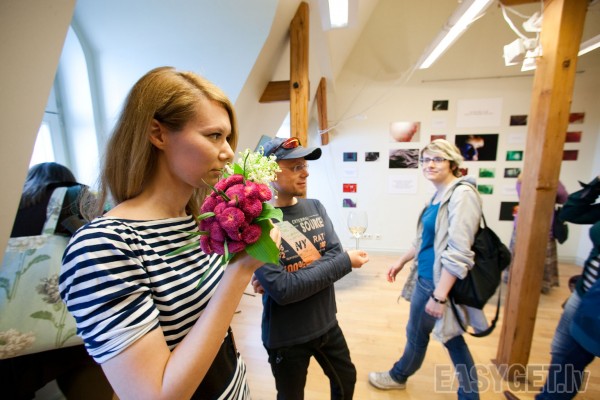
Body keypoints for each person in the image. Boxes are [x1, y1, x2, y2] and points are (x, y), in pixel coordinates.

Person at [59, 66, 279, 400]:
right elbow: (155, 395)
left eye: (227, 137)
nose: (228, 152)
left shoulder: (195, 221)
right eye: (214, 136)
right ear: (158, 134)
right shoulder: (103, 248)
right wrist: (240, 271)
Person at [250, 136, 370, 400]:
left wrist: (296, 276)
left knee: (346, 379)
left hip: (326, 322)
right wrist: (343, 263)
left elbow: (334, 254)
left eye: (304, 165)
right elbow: (283, 290)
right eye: (295, 167)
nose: (305, 173)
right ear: (269, 173)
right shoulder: (258, 225)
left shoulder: (315, 206)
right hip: (287, 338)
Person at [369, 139, 486, 400]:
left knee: (442, 337)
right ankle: (405, 376)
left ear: (452, 163)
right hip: (426, 278)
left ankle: (400, 376)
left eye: (437, 159)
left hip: (438, 283)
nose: (429, 164)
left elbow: (459, 251)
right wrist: (402, 261)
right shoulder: (438, 194)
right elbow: (424, 238)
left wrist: (439, 296)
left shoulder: (462, 195)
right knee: (440, 336)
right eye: (425, 160)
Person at [1, 162, 112, 399]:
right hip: (67, 331)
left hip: (12, 333)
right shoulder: (72, 194)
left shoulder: (11, 205)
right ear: (64, 178)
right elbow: (107, 244)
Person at [504, 173, 600, 400]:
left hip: (596, 302)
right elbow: (571, 211)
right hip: (584, 292)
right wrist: (596, 185)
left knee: (573, 353)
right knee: (563, 352)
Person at [503, 174, 568, 294]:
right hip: (543, 224)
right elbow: (564, 197)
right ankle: (541, 284)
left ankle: (515, 280)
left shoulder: (522, 179)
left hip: (523, 224)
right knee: (541, 256)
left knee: (519, 254)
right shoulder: (550, 180)